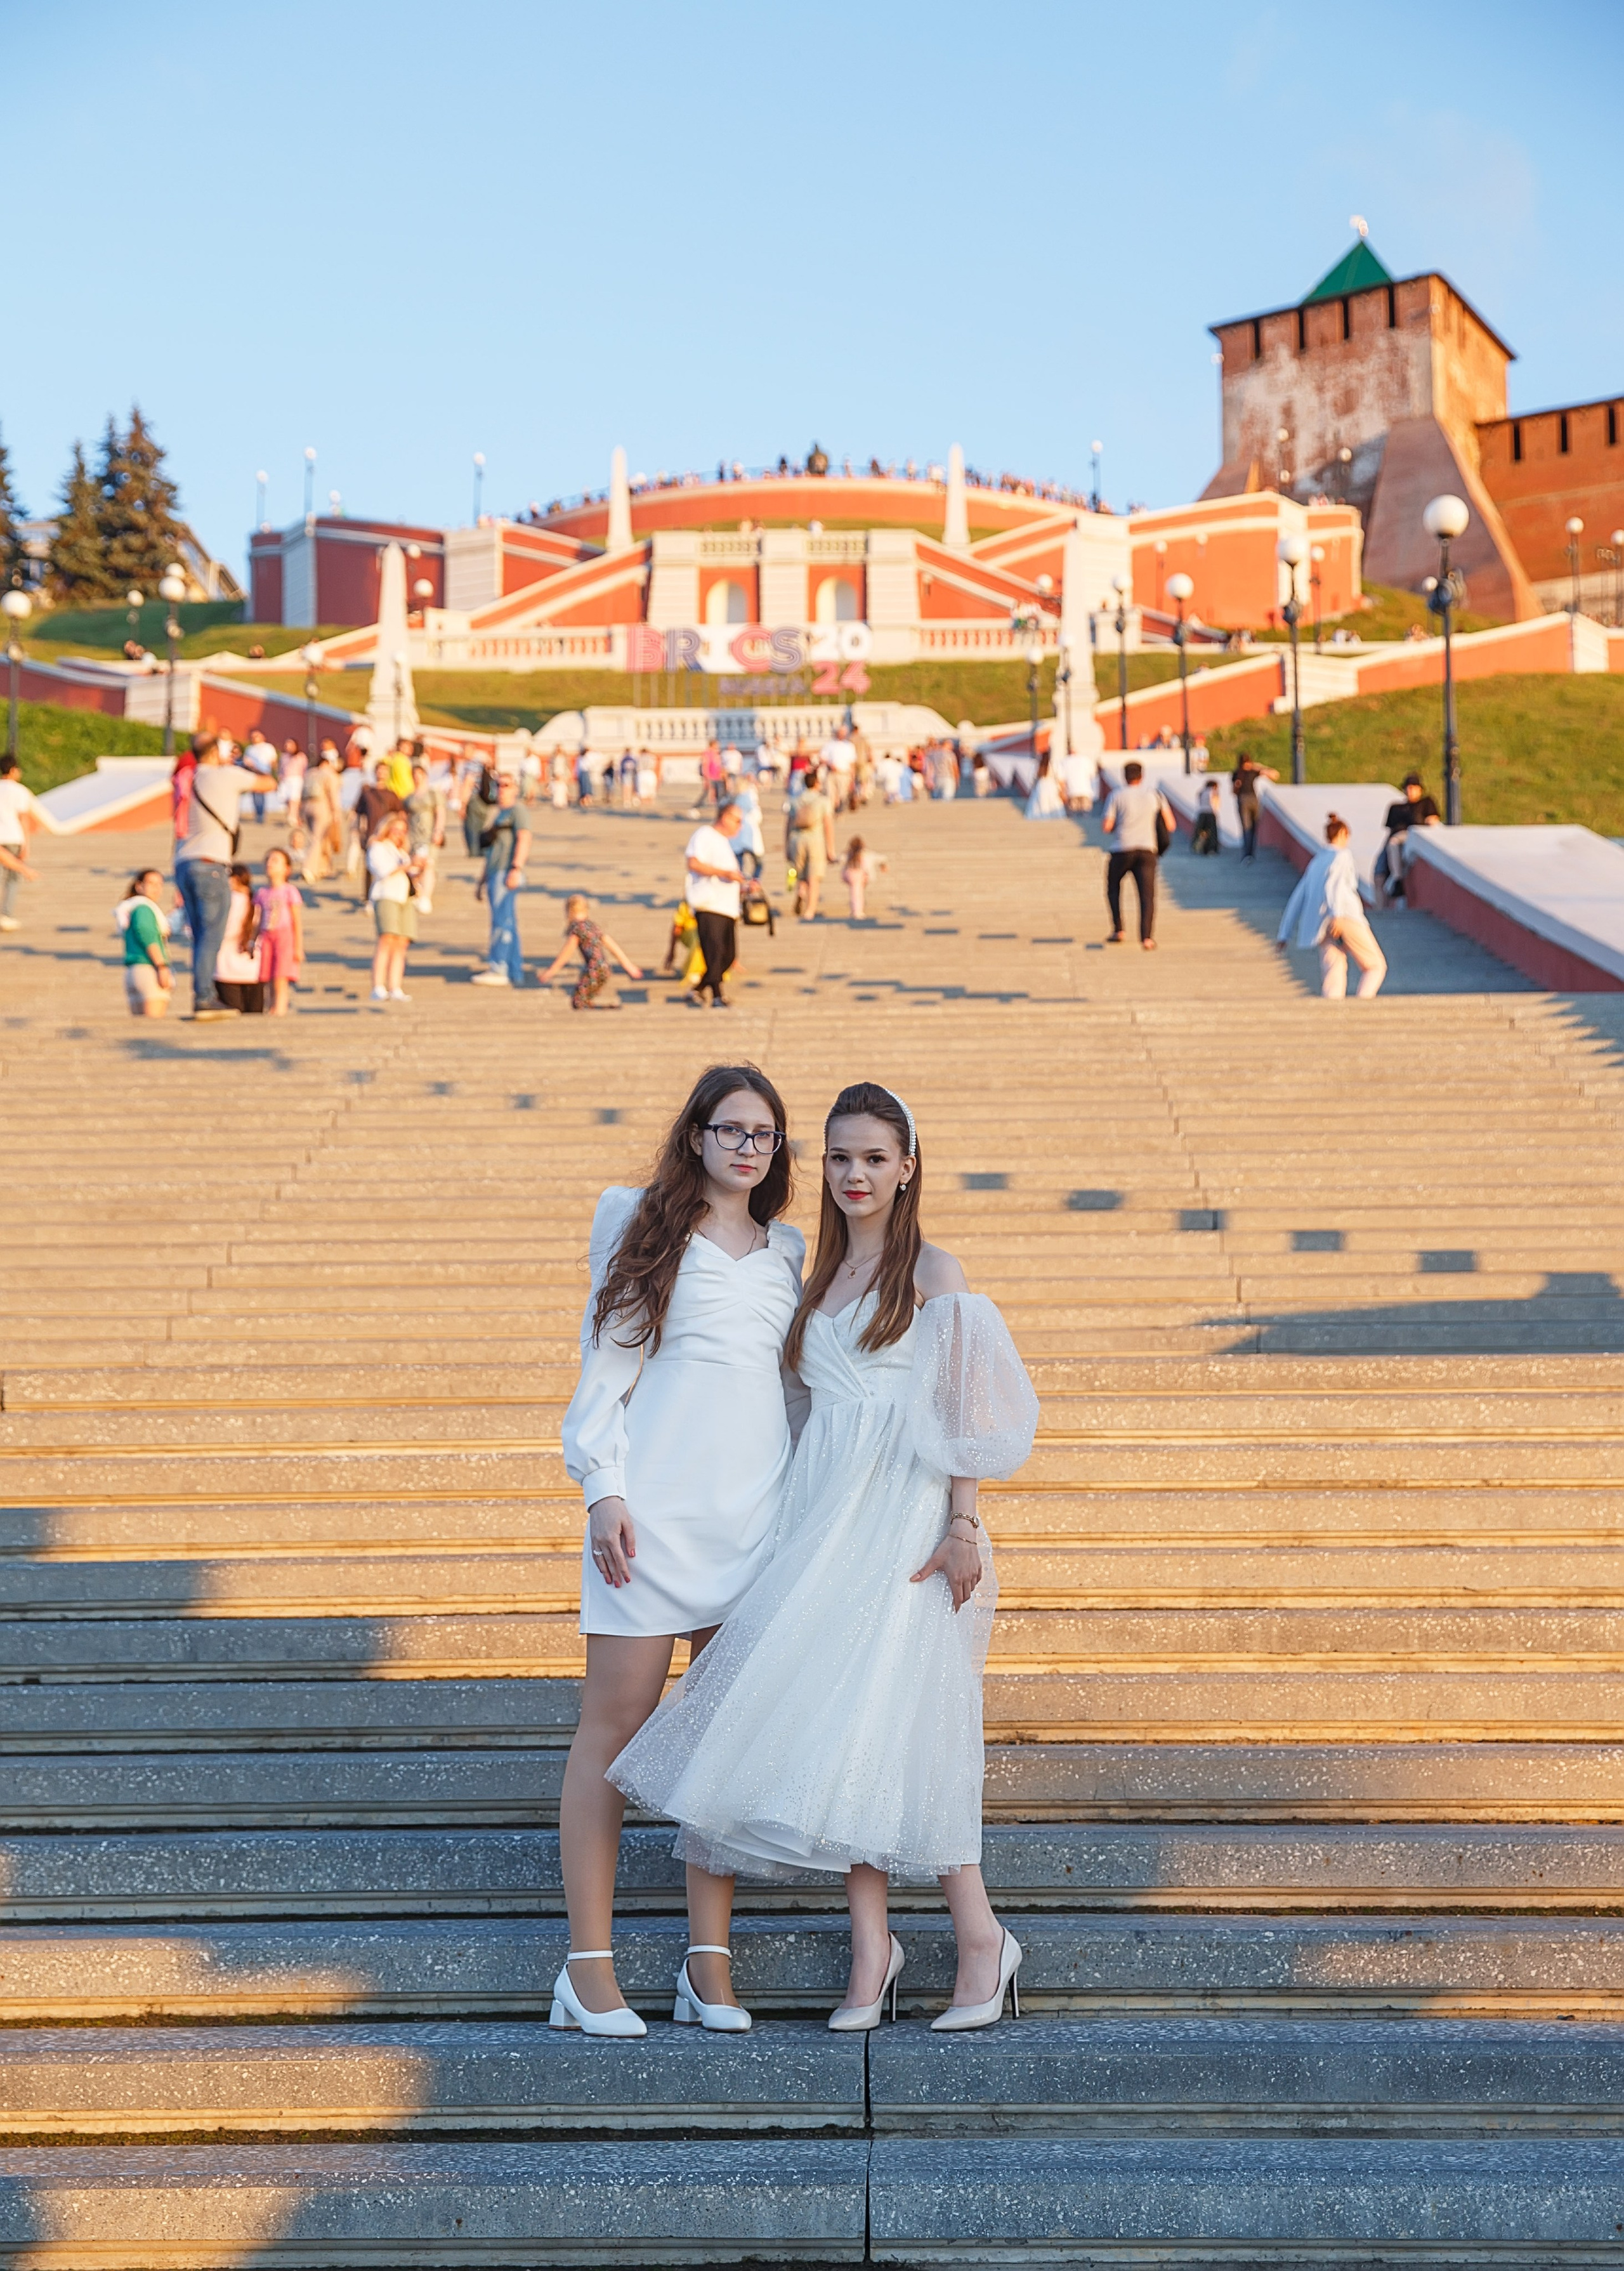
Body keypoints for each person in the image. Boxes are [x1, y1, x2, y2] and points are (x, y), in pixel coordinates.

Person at [610, 1082, 1039, 2032]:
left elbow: (969, 1412)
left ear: (908, 1166)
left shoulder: (933, 1272)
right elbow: (789, 1409)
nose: (855, 1175)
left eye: (876, 1158)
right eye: (841, 1157)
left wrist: (963, 1525)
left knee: (905, 1724)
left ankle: (980, 1940)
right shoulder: (815, 1276)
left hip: (908, 1516)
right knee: (849, 1729)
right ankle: (871, 1951)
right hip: (823, 1509)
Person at [555, 1066, 807, 2036]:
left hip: (752, 1520)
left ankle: (708, 1969)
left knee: (716, 1745)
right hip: (650, 1516)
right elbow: (604, 1373)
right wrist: (604, 1491)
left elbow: (790, 1398)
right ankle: (587, 1970)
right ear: (696, 1136)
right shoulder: (643, 1225)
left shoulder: (785, 1252)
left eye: (765, 1134)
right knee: (614, 1728)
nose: (749, 1147)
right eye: (731, 1129)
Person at [174, 736, 275, 1019]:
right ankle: (205, 996)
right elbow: (269, 783)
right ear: (217, 753)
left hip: (185, 863)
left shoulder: (189, 778)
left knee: (200, 936)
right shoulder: (228, 775)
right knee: (212, 934)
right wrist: (248, 764)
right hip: (211, 864)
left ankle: (203, 991)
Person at [1277, 812, 1387, 999]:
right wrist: (1336, 913)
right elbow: (1334, 885)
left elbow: (1298, 897)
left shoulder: (1317, 862)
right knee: (1375, 966)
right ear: (1344, 833)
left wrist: (1284, 933)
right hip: (1345, 916)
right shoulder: (1342, 856)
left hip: (1322, 923)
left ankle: (1332, 1013)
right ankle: (1362, 1007)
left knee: (1333, 970)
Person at [1101, 760, 1173, 952]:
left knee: (1113, 888)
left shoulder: (1116, 795)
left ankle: (1119, 930)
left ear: (1125, 776)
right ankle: (1147, 938)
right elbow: (1171, 824)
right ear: (1142, 776)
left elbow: (1107, 826)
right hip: (1147, 850)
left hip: (1122, 848)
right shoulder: (1155, 795)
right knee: (1147, 896)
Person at [473, 773, 532, 988]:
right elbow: (491, 851)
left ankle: (499, 967)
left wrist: (516, 868)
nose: (502, 789)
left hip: (507, 871)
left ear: (516, 789)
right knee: (508, 922)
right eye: (499, 785)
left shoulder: (518, 811)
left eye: (507, 785)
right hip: (494, 871)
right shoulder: (499, 814)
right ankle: (514, 968)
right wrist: (481, 881)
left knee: (502, 922)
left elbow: (524, 839)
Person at [684, 799, 744, 1009]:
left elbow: (728, 876)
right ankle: (718, 996)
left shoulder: (724, 842)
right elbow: (693, 863)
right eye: (738, 821)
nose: (740, 826)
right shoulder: (705, 835)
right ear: (725, 818)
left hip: (728, 907)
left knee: (729, 956)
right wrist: (724, 873)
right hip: (709, 904)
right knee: (715, 952)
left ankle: (698, 988)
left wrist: (744, 885)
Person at [538, 892, 643, 1010]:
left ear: (569, 912)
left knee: (577, 1003)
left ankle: (604, 1012)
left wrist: (551, 972)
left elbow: (567, 953)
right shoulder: (592, 926)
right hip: (605, 969)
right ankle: (600, 1009)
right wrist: (629, 966)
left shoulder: (577, 929)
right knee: (584, 1000)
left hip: (593, 970)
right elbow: (611, 945)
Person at [367, 809, 422, 1004]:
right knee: (387, 939)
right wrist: (405, 867)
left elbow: (409, 874)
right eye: (396, 830)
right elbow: (382, 871)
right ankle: (378, 986)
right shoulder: (378, 847)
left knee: (402, 943)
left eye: (402, 831)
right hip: (386, 896)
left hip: (404, 898)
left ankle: (395, 986)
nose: (399, 835)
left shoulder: (402, 852)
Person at [254, 846, 304, 1016]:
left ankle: (280, 1009)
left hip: (284, 936)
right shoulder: (262, 893)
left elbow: (296, 921)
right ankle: (270, 1007)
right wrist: (253, 940)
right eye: (268, 860)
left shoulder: (290, 891)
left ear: (287, 869)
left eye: (275, 861)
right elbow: (257, 920)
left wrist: (298, 947)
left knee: (281, 976)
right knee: (267, 975)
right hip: (266, 936)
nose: (270, 864)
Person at [117, 869, 174, 1018]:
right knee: (153, 1028)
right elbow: (147, 935)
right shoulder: (144, 908)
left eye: (160, 884)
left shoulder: (131, 907)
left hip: (134, 971)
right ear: (139, 886)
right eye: (151, 883)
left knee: (140, 1029)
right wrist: (161, 966)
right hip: (148, 969)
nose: (156, 888)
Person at [1377, 772, 1442, 902]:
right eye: (1408, 787)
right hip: (1395, 837)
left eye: (1413, 787)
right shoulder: (1396, 807)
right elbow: (1390, 829)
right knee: (1379, 873)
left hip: (1410, 835)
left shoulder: (1426, 803)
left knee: (1394, 843)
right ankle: (1382, 908)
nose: (1410, 791)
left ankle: (1398, 879)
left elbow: (1433, 821)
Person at [787, 766, 836, 920]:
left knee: (798, 872)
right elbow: (828, 826)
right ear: (816, 783)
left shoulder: (795, 800)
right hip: (815, 840)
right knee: (814, 876)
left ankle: (800, 891)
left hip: (796, 839)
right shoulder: (822, 801)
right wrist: (831, 850)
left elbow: (788, 824)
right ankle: (810, 910)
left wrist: (787, 845)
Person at [214, 865, 265, 1013]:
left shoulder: (231, 900)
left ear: (234, 880)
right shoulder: (256, 901)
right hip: (253, 969)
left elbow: (225, 931)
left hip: (226, 969)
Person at [0, 756, 43, 930]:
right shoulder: (20, 791)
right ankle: (6, 915)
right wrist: (27, 844)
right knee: (12, 879)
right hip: (13, 837)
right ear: (12, 771)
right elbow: (24, 819)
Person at [404, 760, 443, 915]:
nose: (417, 778)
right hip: (414, 834)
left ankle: (426, 897)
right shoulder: (409, 797)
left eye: (420, 775)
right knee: (414, 865)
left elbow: (440, 812)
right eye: (415, 775)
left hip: (429, 832)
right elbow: (405, 816)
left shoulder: (433, 794)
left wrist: (438, 830)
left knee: (429, 863)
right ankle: (418, 892)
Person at [1230, 750, 1279, 863]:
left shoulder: (1236, 773)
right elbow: (1274, 774)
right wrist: (1256, 767)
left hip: (1243, 801)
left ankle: (1247, 854)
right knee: (1253, 828)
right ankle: (1251, 853)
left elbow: (1233, 791)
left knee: (1246, 828)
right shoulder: (1253, 772)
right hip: (1253, 799)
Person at [842, 835, 887, 920]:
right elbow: (881, 858)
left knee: (855, 893)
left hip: (849, 875)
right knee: (858, 894)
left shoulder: (849, 854)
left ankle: (855, 910)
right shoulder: (866, 854)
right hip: (860, 877)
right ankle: (857, 912)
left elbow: (839, 859)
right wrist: (883, 865)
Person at [240, 728, 277, 822]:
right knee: (255, 794)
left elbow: (273, 760)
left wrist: (272, 772)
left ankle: (261, 814)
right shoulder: (250, 749)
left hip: (264, 773)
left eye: (257, 736)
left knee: (262, 793)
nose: (255, 738)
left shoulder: (268, 747)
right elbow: (246, 761)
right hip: (253, 773)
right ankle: (257, 813)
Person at [1023, 752, 1064, 821]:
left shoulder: (1037, 765)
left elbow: (1031, 780)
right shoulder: (1055, 764)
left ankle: (1041, 817)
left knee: (1039, 804)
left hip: (1040, 786)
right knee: (1054, 803)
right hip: (1052, 786)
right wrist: (1062, 790)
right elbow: (1060, 779)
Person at [1191, 778, 1222, 856]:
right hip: (1210, 813)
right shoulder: (1212, 792)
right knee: (1212, 832)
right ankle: (1211, 849)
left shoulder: (1201, 792)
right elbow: (1212, 803)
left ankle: (1198, 847)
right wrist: (1214, 812)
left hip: (1201, 813)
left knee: (1200, 832)